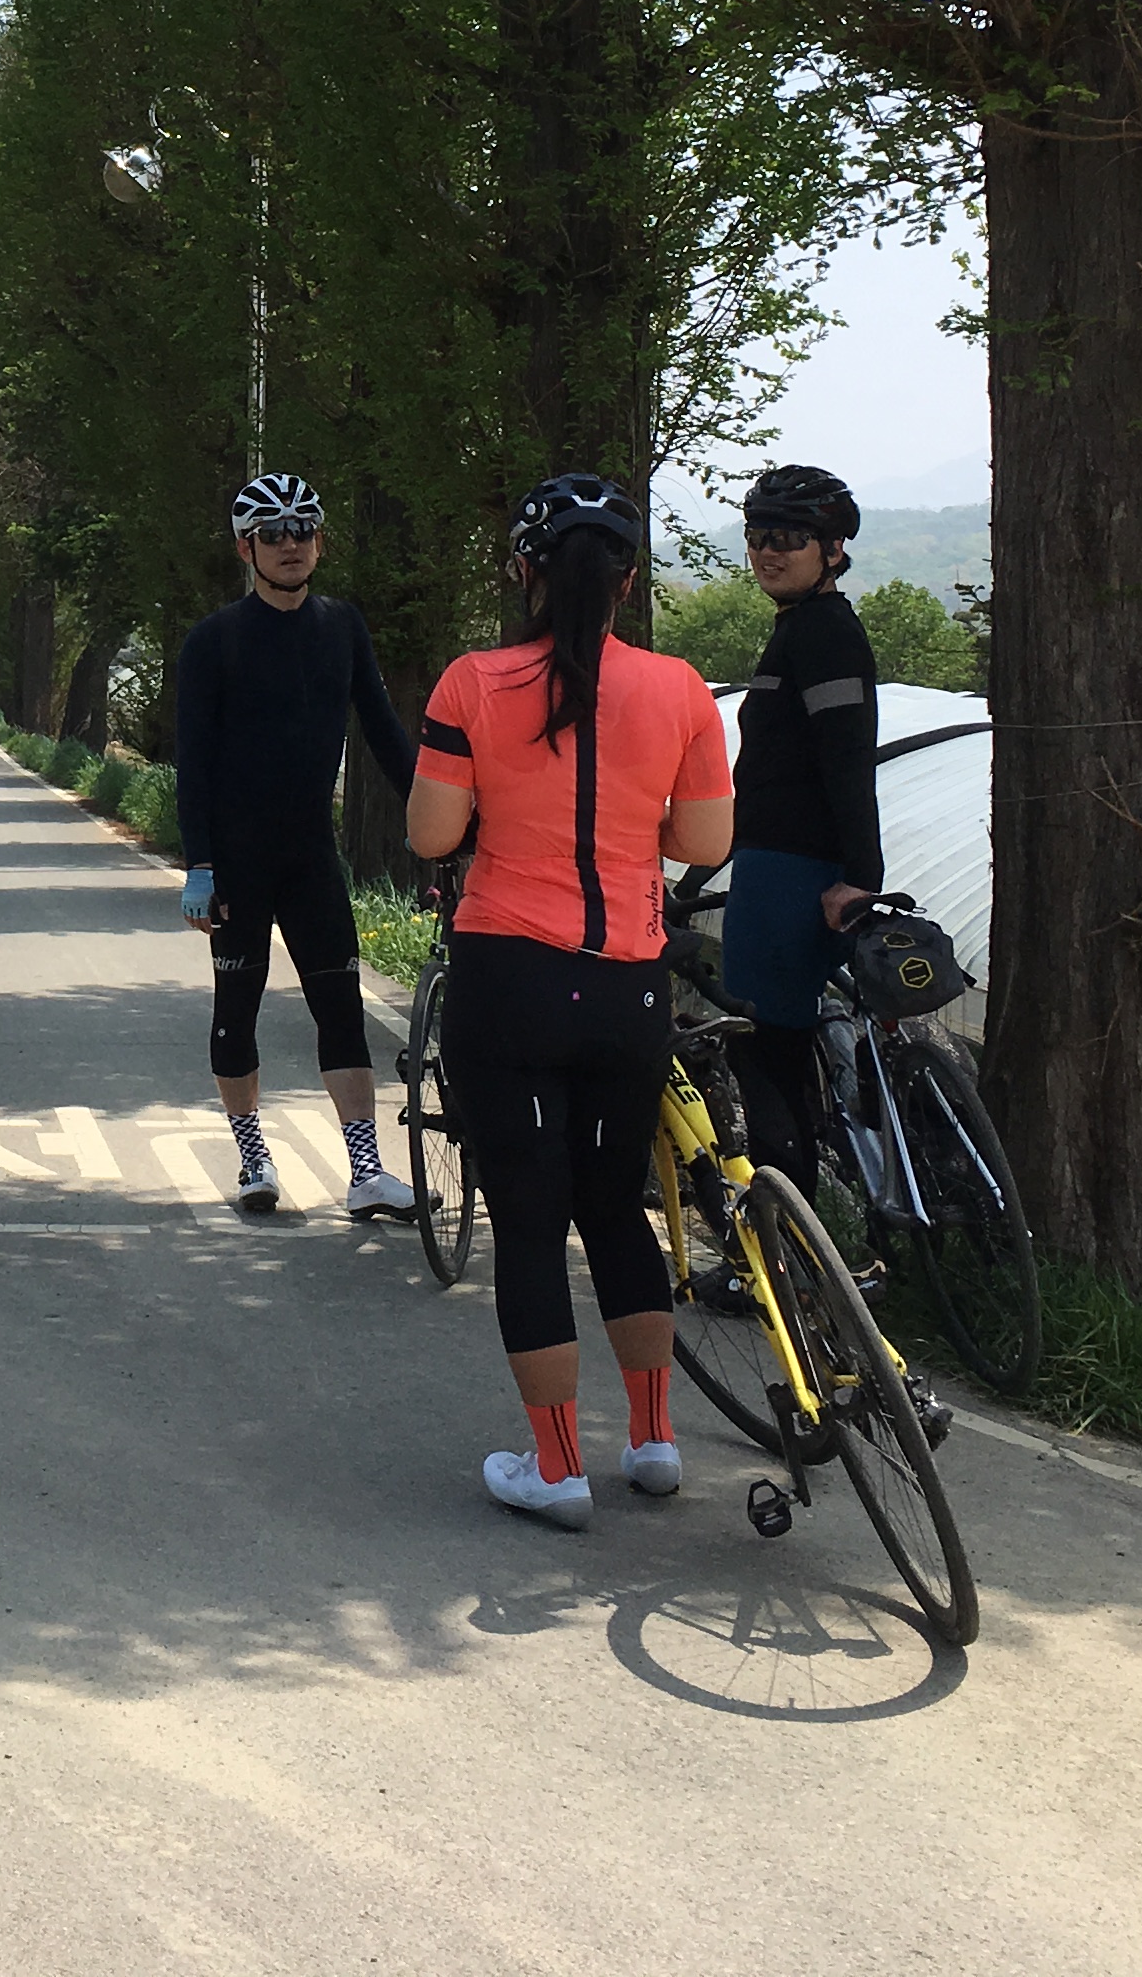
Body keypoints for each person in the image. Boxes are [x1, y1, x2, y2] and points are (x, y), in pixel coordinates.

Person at [403, 473, 734, 1529]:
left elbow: (432, 834)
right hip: (629, 985)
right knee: (615, 1209)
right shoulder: (682, 689)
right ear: (629, 582)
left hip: (510, 977)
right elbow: (705, 839)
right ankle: (654, 1442)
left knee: (531, 1219)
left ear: (524, 570)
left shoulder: (473, 683)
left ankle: (555, 1468)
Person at [169, 470, 420, 1217]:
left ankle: (366, 1172)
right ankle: (253, 1159)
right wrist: (199, 865)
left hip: (312, 856)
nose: (290, 545)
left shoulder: (342, 626)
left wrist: (444, 811)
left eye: (302, 530)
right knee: (236, 1012)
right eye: (272, 533)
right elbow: (194, 762)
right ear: (245, 548)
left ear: (320, 542)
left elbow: (382, 731)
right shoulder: (214, 640)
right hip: (236, 864)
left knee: (340, 1009)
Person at [713, 463, 881, 1215]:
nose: (765, 551)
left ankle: (782, 1254)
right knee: (780, 1052)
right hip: (777, 863)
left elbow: (848, 756)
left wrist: (861, 873)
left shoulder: (824, 634)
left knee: (763, 1054)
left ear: (833, 549)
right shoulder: (803, 629)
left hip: (788, 875)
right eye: (756, 536)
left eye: (786, 537)